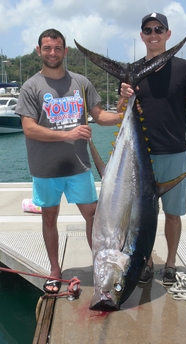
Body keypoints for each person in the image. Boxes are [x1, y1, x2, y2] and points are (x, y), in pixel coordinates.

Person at [15, 28, 122, 294]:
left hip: (79, 166)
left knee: (94, 216)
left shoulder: (81, 83)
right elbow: (29, 128)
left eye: (57, 48)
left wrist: (125, 108)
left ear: (65, 51)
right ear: (39, 51)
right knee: (49, 218)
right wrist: (69, 133)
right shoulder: (31, 87)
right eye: (47, 48)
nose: (53, 52)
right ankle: (54, 270)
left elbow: (100, 116)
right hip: (45, 168)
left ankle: (100, 265)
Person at [117, 13, 186, 286]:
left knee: (172, 213)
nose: (153, 34)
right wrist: (123, 98)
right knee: (142, 215)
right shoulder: (132, 71)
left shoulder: (184, 68)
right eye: (148, 30)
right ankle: (146, 261)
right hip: (138, 157)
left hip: (175, 154)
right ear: (142, 35)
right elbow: (122, 115)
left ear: (168, 34)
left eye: (159, 29)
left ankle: (170, 263)